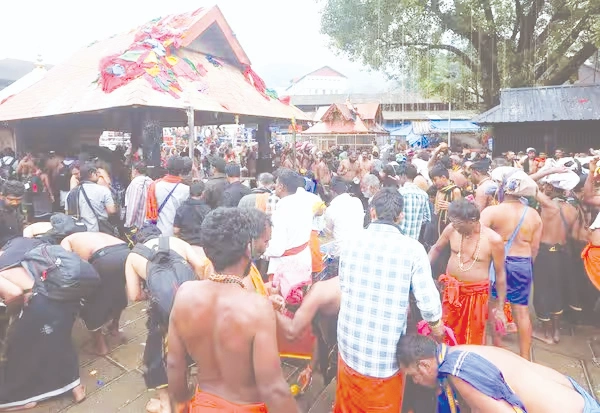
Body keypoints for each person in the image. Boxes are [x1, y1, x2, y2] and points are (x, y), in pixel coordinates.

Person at [167, 207, 299, 413]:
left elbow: (175, 364)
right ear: (248, 248)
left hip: (203, 405)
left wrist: (182, 403)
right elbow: (273, 389)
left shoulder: (184, 294)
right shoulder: (258, 308)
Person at [335, 187, 444, 413]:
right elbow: (429, 307)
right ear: (400, 216)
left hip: (348, 344)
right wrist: (437, 329)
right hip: (384, 357)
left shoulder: (351, 241)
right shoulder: (413, 249)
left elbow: (344, 286)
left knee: (348, 403)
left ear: (372, 212)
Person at [397, 334, 600, 413]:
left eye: (413, 376)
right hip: (577, 396)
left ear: (424, 365)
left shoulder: (457, 372)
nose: (416, 381)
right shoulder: (458, 352)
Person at [125, 226, 207, 413]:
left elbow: (134, 294)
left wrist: (153, 293)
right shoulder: (177, 242)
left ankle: (166, 403)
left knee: (156, 354)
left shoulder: (133, 256)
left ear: (139, 241)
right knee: (194, 343)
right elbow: (201, 265)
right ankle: (190, 388)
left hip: (164, 312)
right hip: (192, 302)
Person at [0, 262, 87, 410]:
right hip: (61, 298)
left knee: (19, 351)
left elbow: (14, 293)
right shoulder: (12, 258)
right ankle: (76, 388)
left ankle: (21, 400)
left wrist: (14, 316)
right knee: (60, 342)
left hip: (36, 304)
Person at [429, 199, 507, 345]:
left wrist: (500, 308)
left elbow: (500, 274)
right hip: (450, 291)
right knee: (445, 331)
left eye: (458, 224)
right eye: (453, 222)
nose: (454, 226)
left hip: (475, 296)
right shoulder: (452, 229)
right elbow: (436, 248)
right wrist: (424, 270)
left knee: (472, 335)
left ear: (472, 221)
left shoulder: (493, 240)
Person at [480, 181, 542, 359]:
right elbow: (535, 247)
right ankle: (525, 358)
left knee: (494, 306)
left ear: (503, 190)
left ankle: (498, 349)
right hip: (522, 263)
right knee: (522, 312)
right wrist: (527, 266)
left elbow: (480, 238)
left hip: (498, 263)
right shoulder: (534, 214)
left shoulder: (492, 212)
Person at [61, 232, 130, 355]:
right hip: (126, 253)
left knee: (91, 302)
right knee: (117, 291)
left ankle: (101, 347)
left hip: (105, 259)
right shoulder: (89, 234)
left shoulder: (66, 241)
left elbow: (68, 268)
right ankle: (114, 328)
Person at [533, 178, 579, 344]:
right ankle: (557, 331)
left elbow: (526, 183)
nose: (544, 187)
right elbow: (574, 235)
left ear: (551, 187)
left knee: (543, 291)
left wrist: (550, 171)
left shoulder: (548, 205)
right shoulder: (573, 209)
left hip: (545, 253)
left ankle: (546, 333)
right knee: (557, 290)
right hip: (563, 253)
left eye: (547, 185)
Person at [264, 169, 314, 304]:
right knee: (301, 301)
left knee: (283, 306)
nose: (274, 186)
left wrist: (261, 250)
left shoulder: (281, 211)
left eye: (276, 183)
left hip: (285, 270)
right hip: (303, 260)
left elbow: (276, 249)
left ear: (281, 186)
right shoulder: (305, 203)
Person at [66, 162, 116, 232]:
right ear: (92, 174)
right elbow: (111, 210)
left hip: (78, 232)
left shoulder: (71, 193)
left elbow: (68, 214)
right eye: (97, 173)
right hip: (99, 231)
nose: (99, 175)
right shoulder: (103, 190)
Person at [146, 156, 189, 236]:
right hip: (179, 235)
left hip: (159, 233)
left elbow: (149, 214)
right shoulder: (187, 190)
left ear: (166, 167)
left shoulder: (154, 186)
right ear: (182, 170)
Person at [323, 177, 364, 257]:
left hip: (341, 254)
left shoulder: (331, 209)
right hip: (359, 250)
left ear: (332, 191)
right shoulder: (357, 201)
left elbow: (327, 231)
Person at [398, 163, 431, 240]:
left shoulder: (399, 193)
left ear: (403, 176)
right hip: (414, 239)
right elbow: (427, 218)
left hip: (399, 237)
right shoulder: (424, 195)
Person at [173, 181, 211, 246]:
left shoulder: (181, 208)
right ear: (203, 193)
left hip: (185, 244)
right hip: (201, 244)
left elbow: (175, 230)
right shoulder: (207, 209)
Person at [124, 161, 153, 229]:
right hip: (149, 224)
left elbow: (133, 206)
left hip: (138, 226)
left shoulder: (136, 183)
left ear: (135, 171)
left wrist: (128, 225)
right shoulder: (151, 182)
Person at [0, 180, 25, 248]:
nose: (15, 203)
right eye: (11, 199)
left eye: (18, 199)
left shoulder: (14, 207)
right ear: (1, 196)